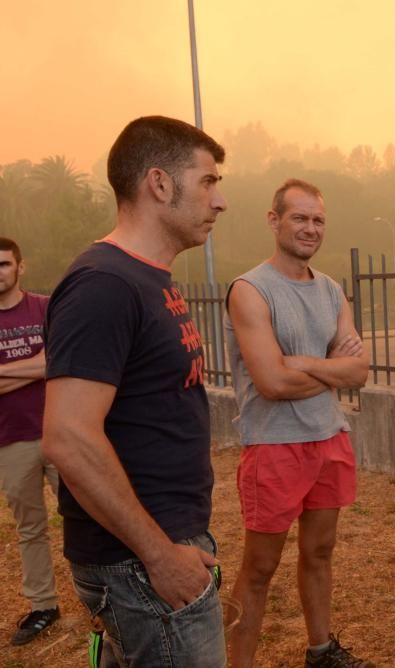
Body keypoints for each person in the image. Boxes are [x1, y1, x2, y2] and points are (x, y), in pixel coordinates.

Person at [42, 116, 228, 666]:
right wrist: (160, 556)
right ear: (160, 184)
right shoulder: (105, 284)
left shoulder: (149, 278)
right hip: (141, 565)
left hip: (156, 553)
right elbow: (68, 438)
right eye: (208, 182)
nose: (219, 202)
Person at [224, 179, 371, 668]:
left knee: (321, 552)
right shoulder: (250, 290)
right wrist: (328, 367)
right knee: (260, 568)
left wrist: (300, 363)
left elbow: (359, 372)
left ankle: (321, 650)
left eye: (318, 220)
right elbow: (270, 383)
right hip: (273, 446)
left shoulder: (331, 290)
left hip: (328, 439)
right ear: (274, 220)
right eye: (300, 218)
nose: (310, 228)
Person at [0, 238, 61, 646]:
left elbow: (61, 360)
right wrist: (37, 368)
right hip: (10, 439)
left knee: (87, 516)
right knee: (30, 528)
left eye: (4, 264)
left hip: (61, 430)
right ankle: (44, 605)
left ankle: (106, 595)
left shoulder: (45, 308)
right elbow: (45, 364)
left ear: (20, 267)